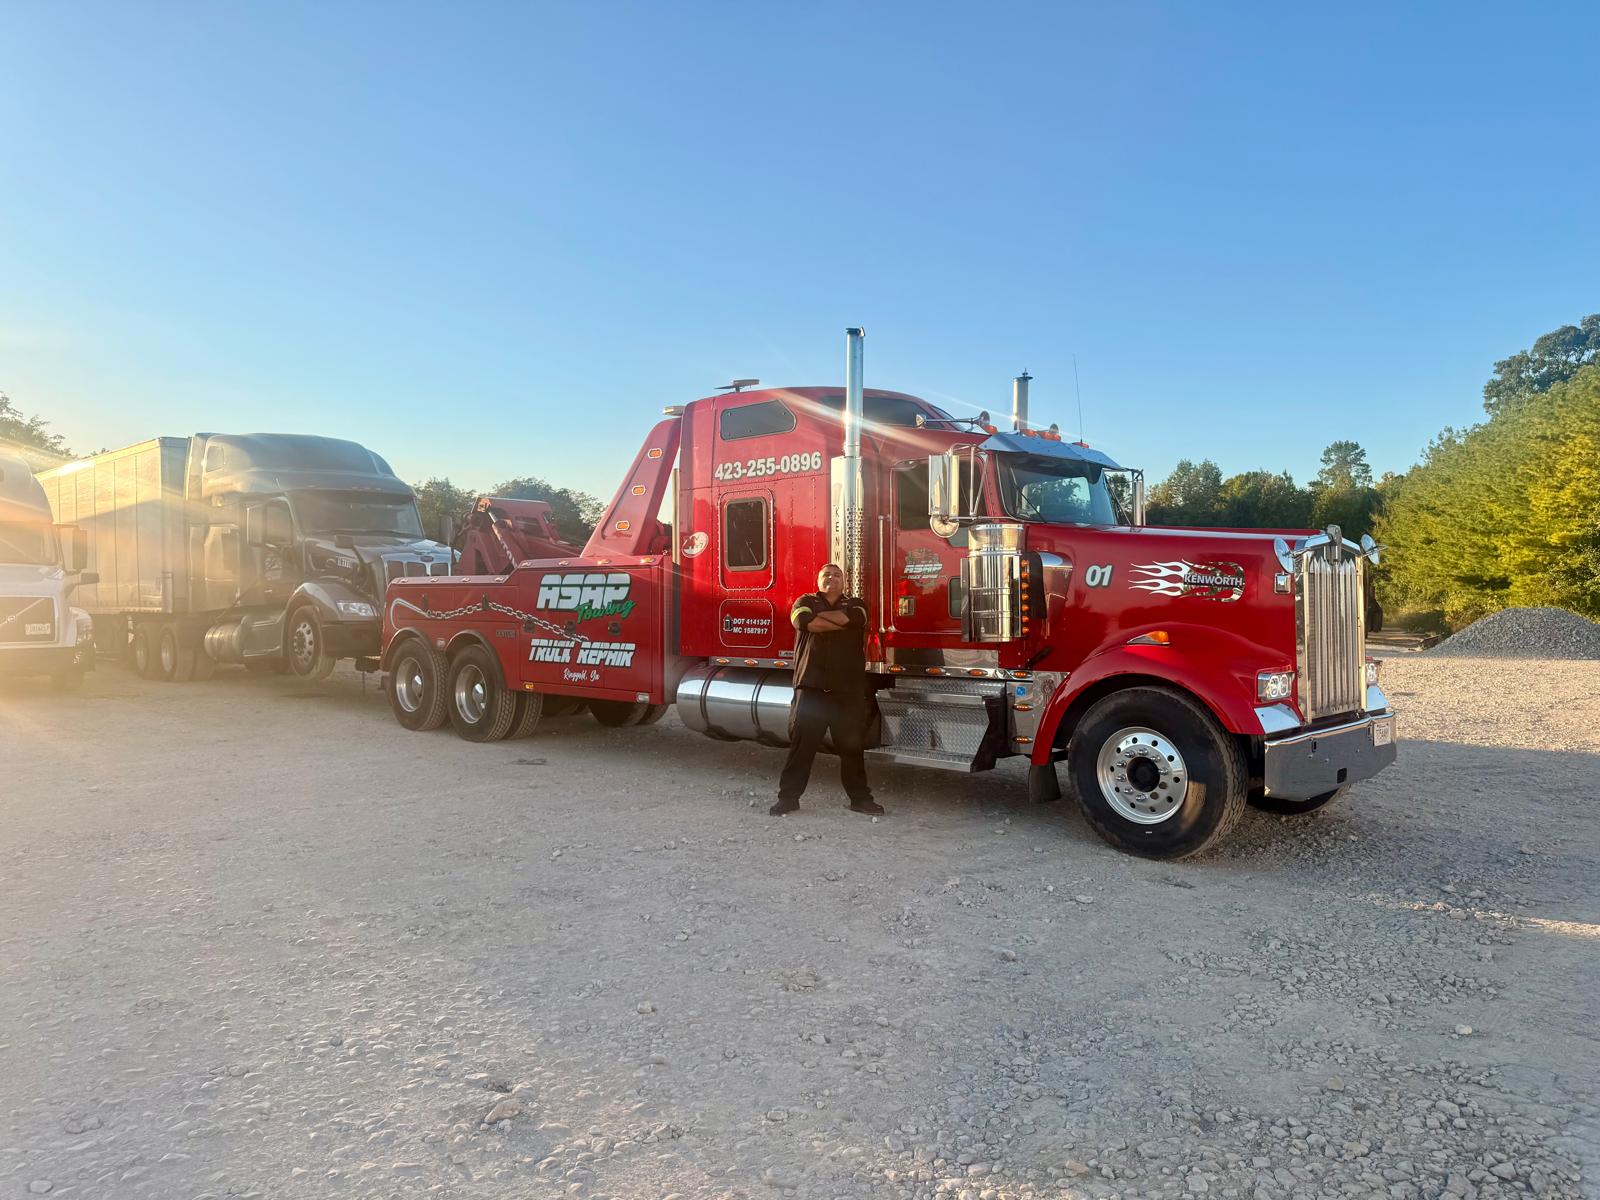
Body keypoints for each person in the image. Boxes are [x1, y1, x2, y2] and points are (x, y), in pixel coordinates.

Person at [771, 563, 884, 816]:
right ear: (818, 581)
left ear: (844, 582)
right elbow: (802, 621)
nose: (831, 578)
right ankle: (788, 799)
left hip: (847, 691)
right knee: (801, 747)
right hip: (810, 688)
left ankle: (860, 800)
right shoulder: (804, 600)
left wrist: (820, 618)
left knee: (852, 749)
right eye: (826, 574)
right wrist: (839, 623)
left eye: (837, 575)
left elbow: (853, 619)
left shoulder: (857, 604)